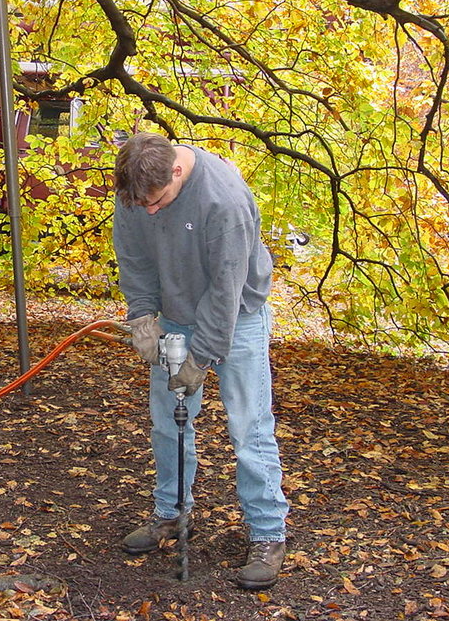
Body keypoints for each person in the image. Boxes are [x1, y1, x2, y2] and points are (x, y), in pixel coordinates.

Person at [112, 132, 289, 590]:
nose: (150, 211)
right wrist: (143, 316)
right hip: (174, 313)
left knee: (248, 426)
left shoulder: (223, 201)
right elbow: (134, 260)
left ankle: (268, 533)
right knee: (169, 422)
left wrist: (200, 358)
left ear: (176, 171)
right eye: (142, 204)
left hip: (239, 316)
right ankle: (171, 515)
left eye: (159, 201)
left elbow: (226, 291)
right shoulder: (136, 187)